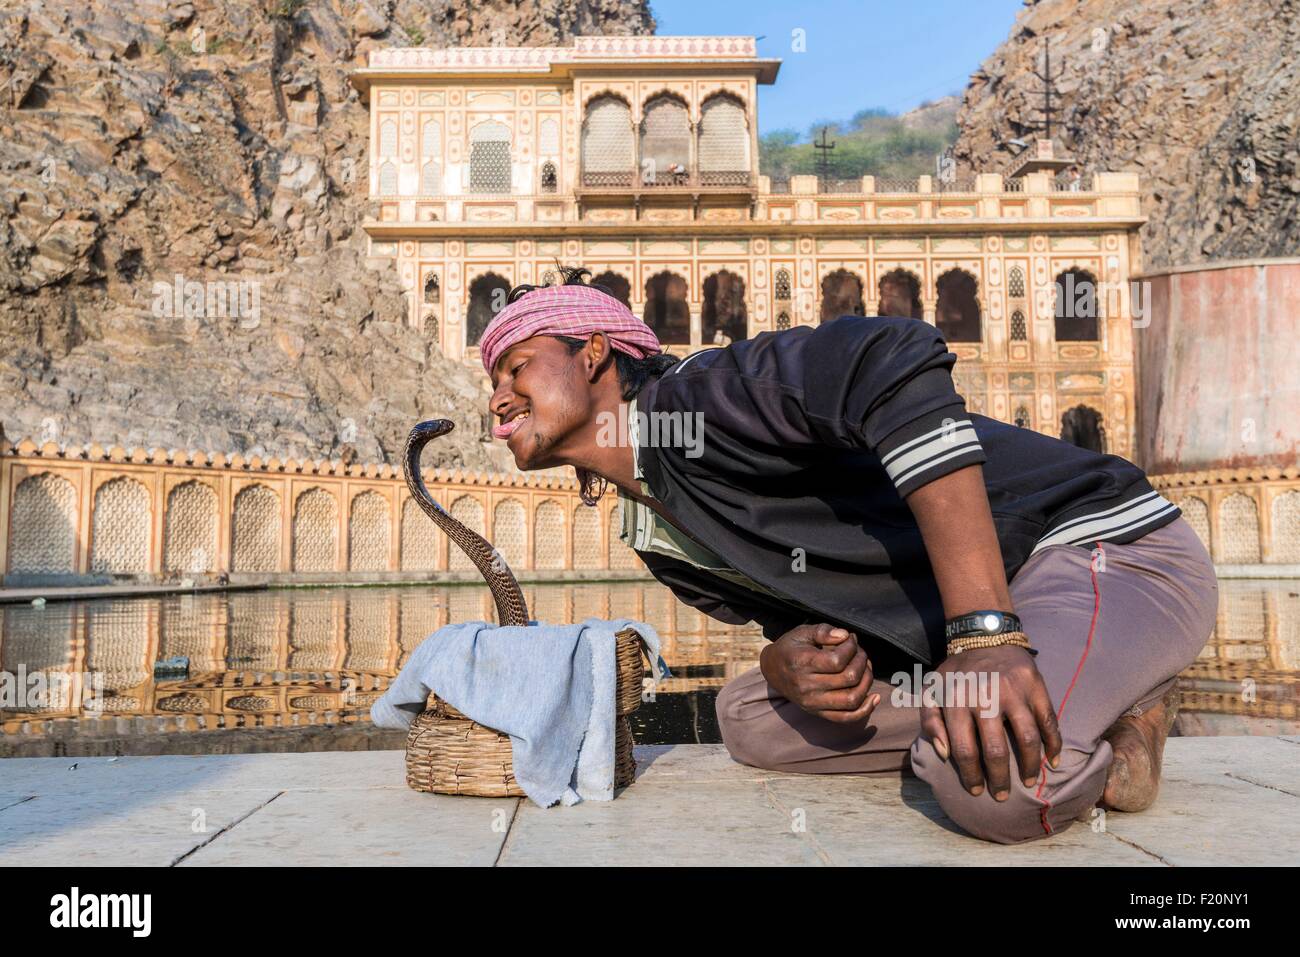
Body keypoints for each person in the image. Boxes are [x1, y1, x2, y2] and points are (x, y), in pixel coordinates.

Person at [478, 266, 1218, 844]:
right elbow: (813, 613)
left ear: (596, 353)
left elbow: (890, 356)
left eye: (518, 365)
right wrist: (788, 662)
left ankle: (1125, 710)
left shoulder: (700, 398)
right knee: (747, 715)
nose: (500, 397)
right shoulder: (657, 530)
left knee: (1000, 791)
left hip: (1100, 546)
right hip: (971, 631)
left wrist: (986, 632)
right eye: (492, 383)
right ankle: (1023, 710)